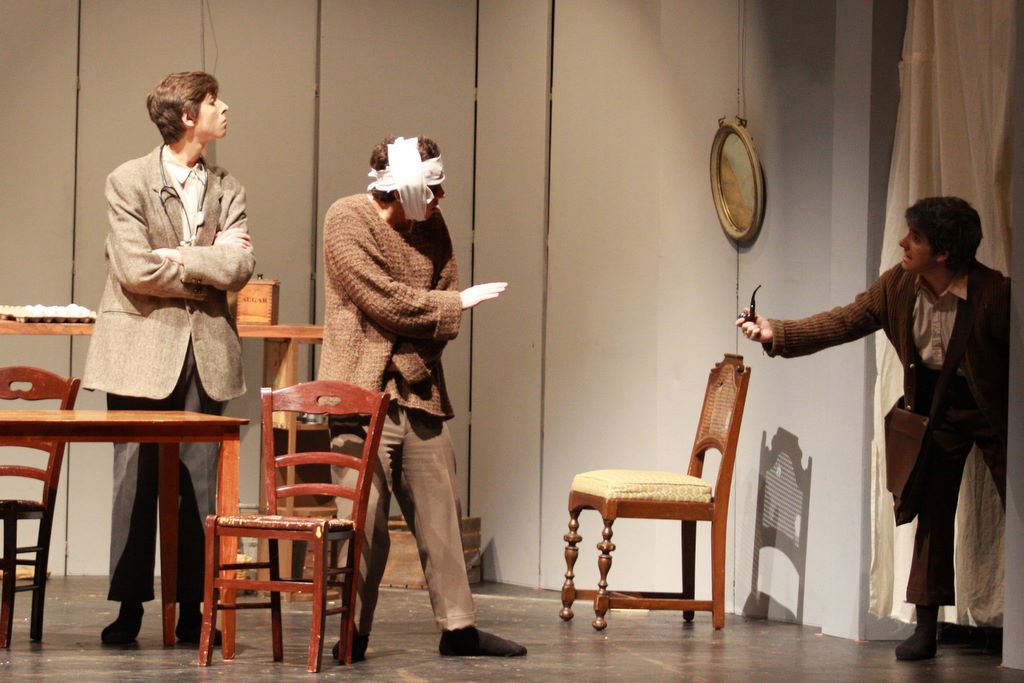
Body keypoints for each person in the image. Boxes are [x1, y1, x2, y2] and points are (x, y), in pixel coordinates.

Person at [736, 196, 1009, 661]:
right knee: (931, 511)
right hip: (936, 407)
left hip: (992, 408)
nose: (903, 243)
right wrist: (776, 333)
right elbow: (843, 321)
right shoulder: (898, 286)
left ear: (944, 253)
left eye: (915, 238)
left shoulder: (993, 294)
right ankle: (926, 628)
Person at [319, 135, 526, 661]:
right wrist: (451, 305)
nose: (439, 199)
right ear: (401, 188)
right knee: (364, 521)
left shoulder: (433, 227)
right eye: (432, 189)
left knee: (442, 515)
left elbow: (440, 306)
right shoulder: (346, 219)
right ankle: (351, 634)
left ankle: (459, 630)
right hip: (360, 393)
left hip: (420, 391)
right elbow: (386, 301)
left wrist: (413, 357)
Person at [82, 71, 255, 645]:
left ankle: (194, 608)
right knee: (134, 479)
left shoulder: (228, 186)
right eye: (212, 101)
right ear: (187, 115)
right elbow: (134, 269)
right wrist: (206, 261)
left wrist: (177, 257)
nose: (223, 108)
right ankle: (129, 605)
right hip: (140, 348)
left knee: (200, 484)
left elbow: (241, 267)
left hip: (206, 351)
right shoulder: (128, 180)